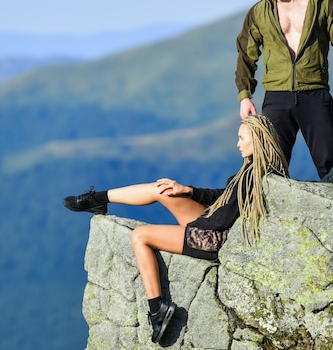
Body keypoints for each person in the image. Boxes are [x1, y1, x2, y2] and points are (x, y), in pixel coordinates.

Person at [61, 115, 289, 344]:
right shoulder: (250, 170)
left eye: (242, 138)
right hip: (210, 223)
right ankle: (98, 199)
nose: (238, 144)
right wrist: (187, 191)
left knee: (139, 236)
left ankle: (157, 310)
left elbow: (225, 219)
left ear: (257, 140)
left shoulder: (259, 177)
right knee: (163, 189)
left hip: (211, 237)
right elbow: (224, 196)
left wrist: (196, 225)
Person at [235, 0, 333, 179]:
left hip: (315, 95)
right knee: (268, 169)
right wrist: (245, 96)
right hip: (276, 97)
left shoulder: (323, 5)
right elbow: (246, 54)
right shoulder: (260, 12)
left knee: (329, 167)